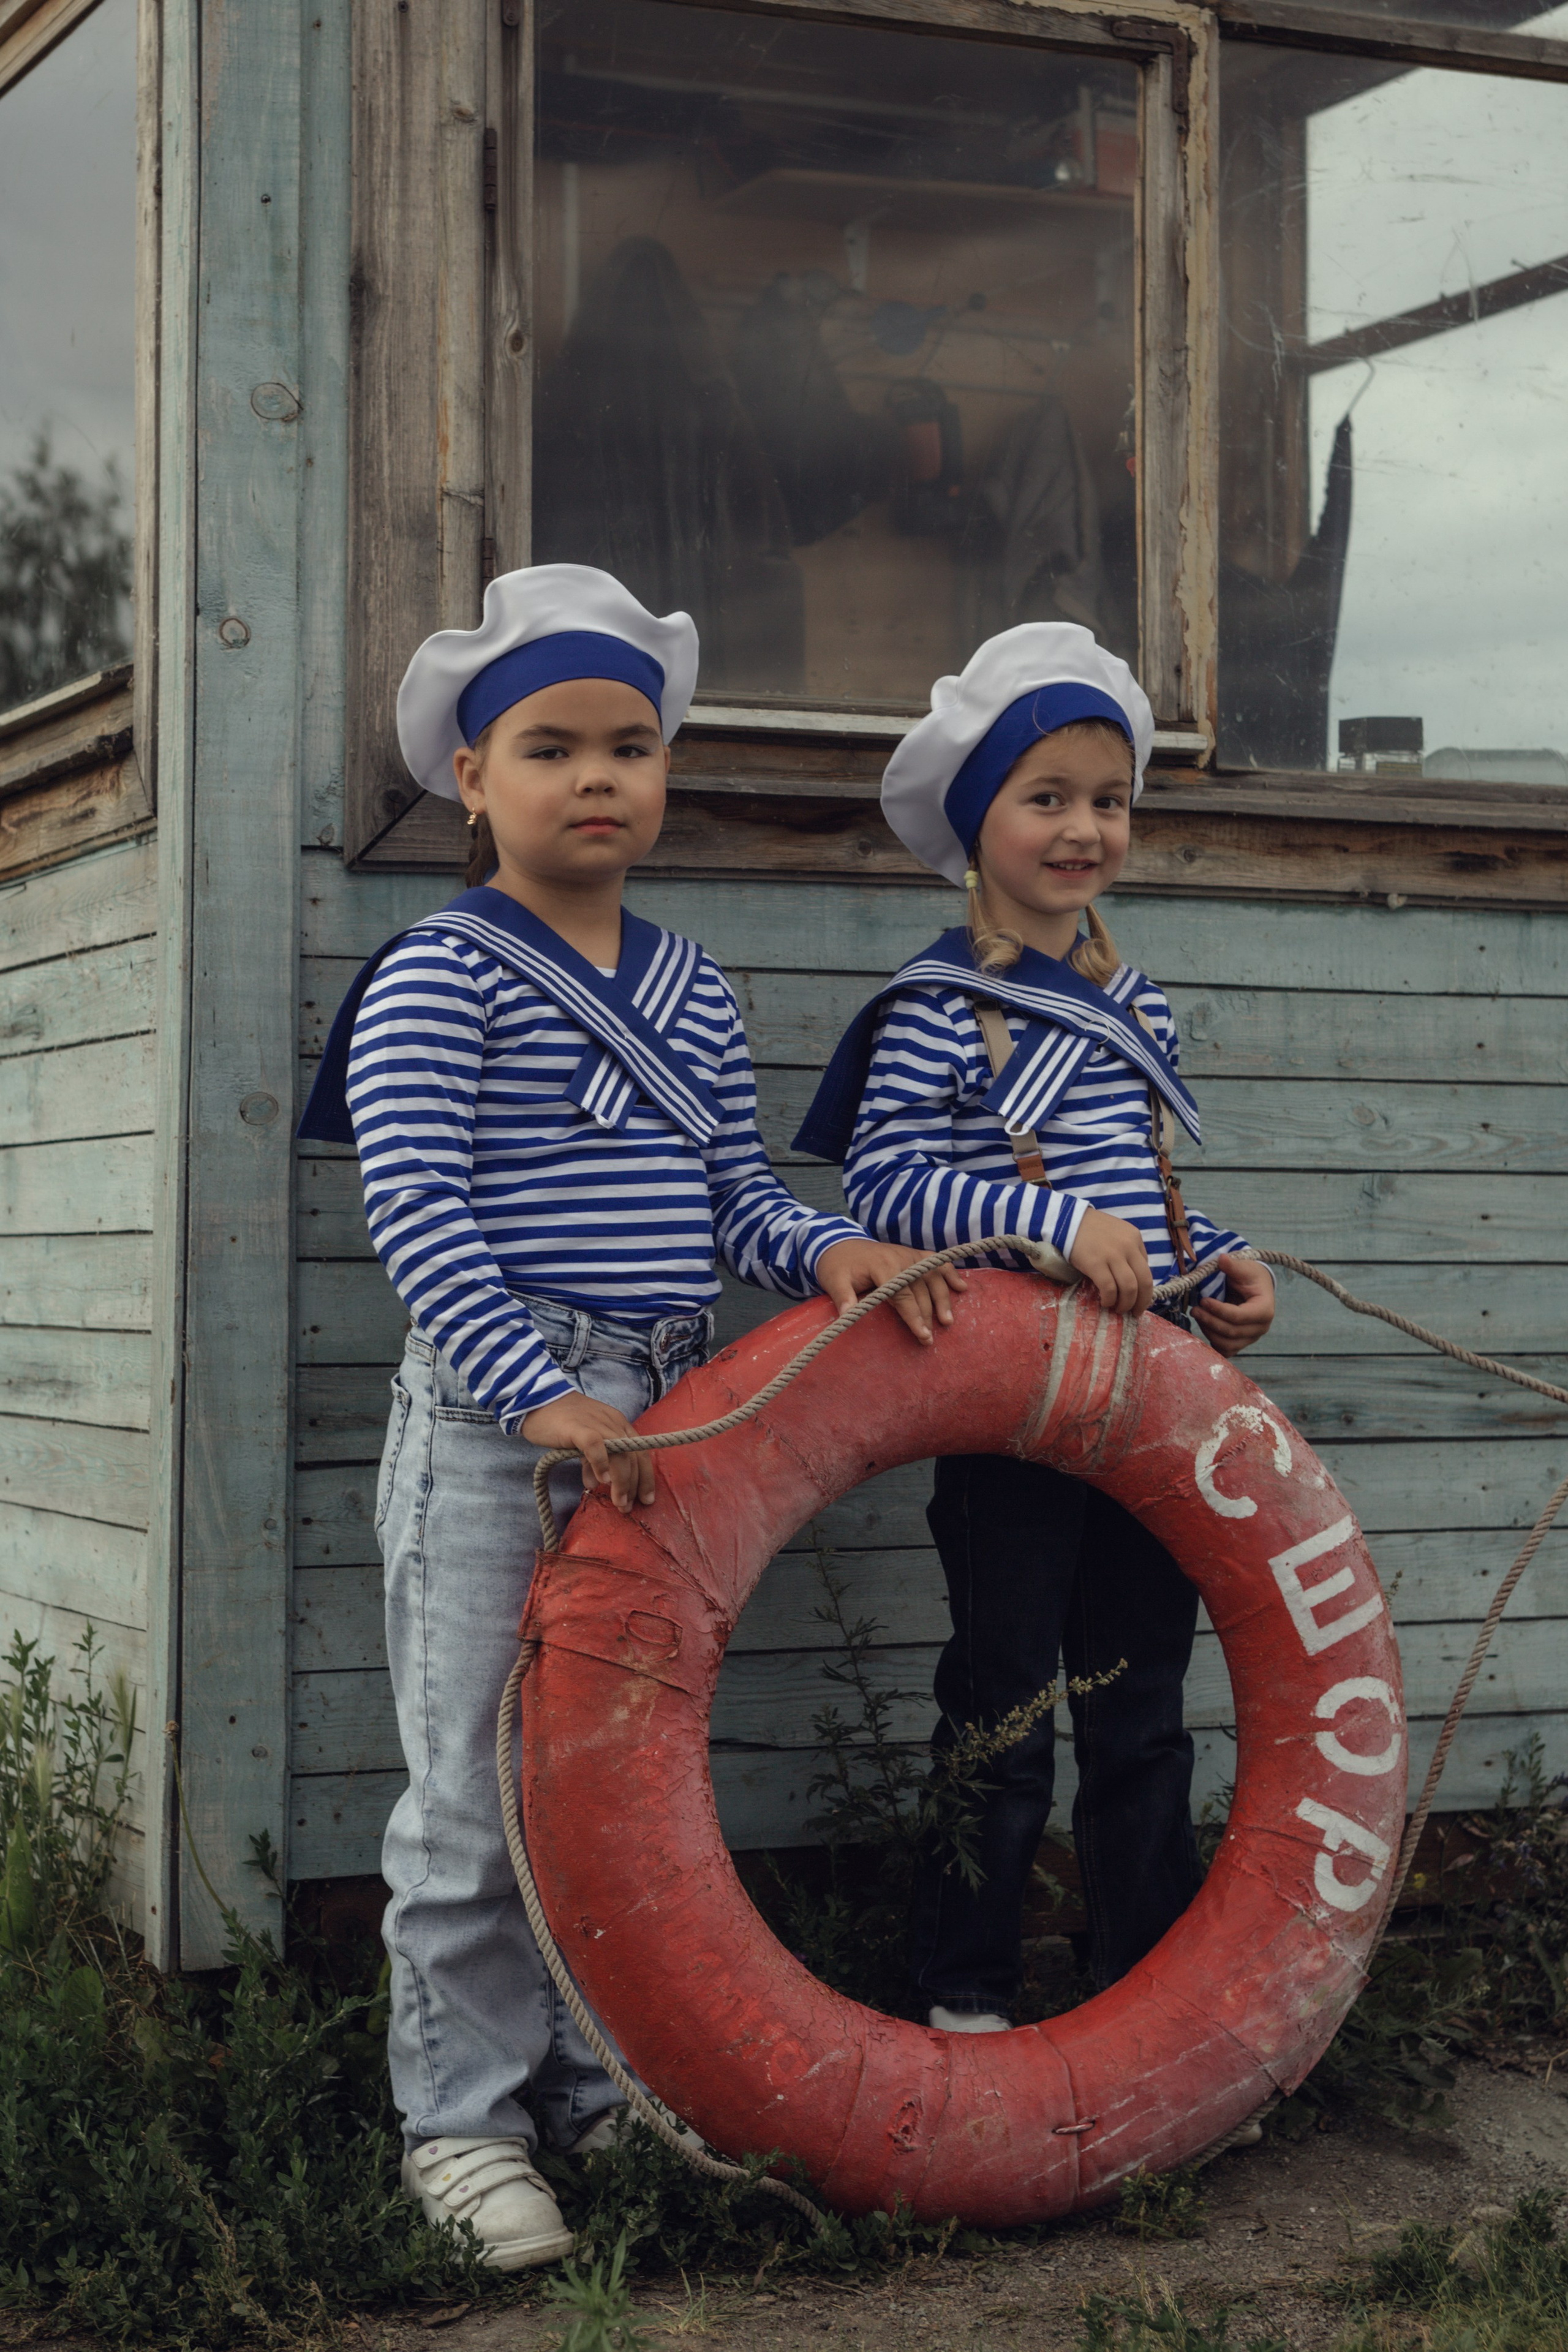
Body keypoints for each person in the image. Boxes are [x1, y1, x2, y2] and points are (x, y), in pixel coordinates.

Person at [298, 565, 960, 2269]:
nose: (598, 777)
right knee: (468, 1788)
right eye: (550, 746)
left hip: (668, 1416)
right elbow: (421, 1212)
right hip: (495, 1427)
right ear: (471, 777)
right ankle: (460, 2125)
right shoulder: (436, 973)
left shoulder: (692, 985)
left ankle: (607, 2095)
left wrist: (839, 1256)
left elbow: (740, 1195)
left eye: (630, 746)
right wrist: (536, 1396)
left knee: (618, 1780)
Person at [793, 622, 1275, 2033]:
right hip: (1008, 1422)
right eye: (1045, 797)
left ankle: (1146, 1992)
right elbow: (878, 1181)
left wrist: (1222, 1266)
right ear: (975, 822)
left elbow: (1145, 1206)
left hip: (1147, 1405)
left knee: (1139, 1714)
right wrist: (1051, 1233)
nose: (1082, 828)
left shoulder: (1143, 1005)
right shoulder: (940, 1005)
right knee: (1000, 1708)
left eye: (1107, 800)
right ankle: (965, 1986)